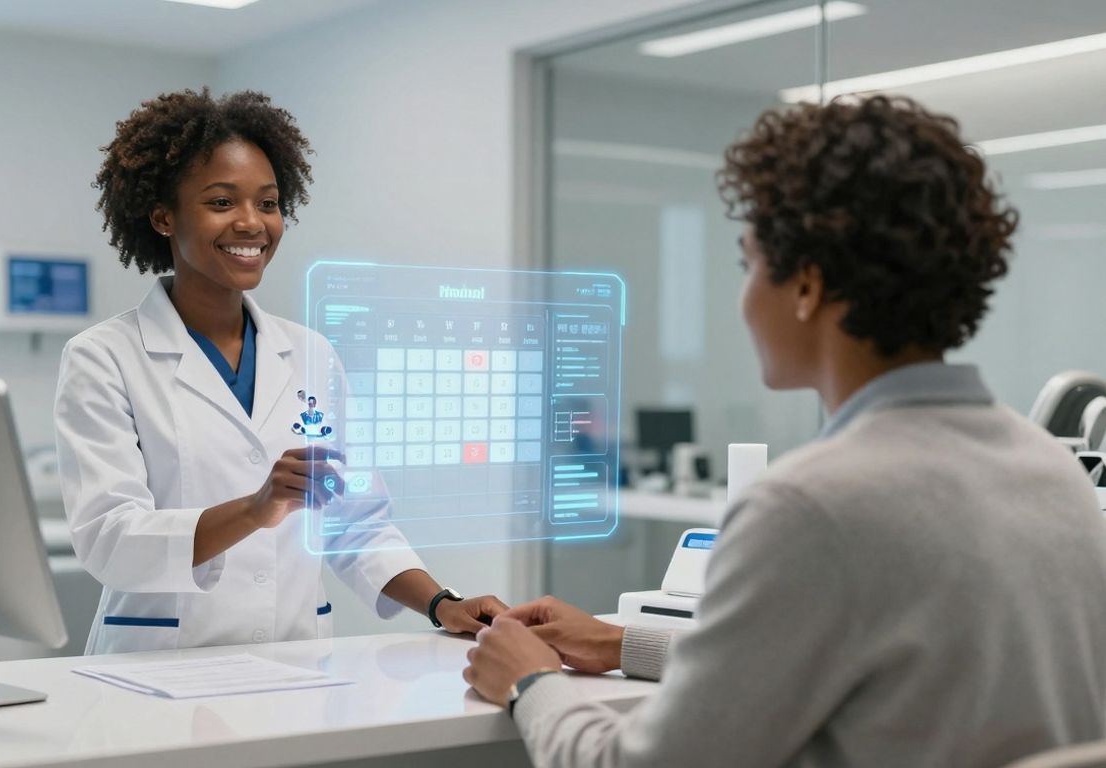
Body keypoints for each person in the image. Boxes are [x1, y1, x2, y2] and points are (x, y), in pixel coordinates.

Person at [464, 95, 1106, 767]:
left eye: (748, 265)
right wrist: (624, 644)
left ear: (806, 286)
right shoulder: (1054, 474)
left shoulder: (810, 507)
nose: (743, 299)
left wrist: (528, 682)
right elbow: (885, 672)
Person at [55, 88, 505, 654]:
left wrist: (445, 605)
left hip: (294, 654)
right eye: (222, 203)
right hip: (159, 664)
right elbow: (111, 540)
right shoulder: (106, 356)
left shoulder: (312, 353)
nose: (252, 224)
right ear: (163, 217)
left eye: (267, 203)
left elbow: (355, 523)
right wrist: (255, 508)